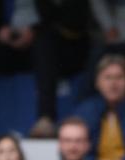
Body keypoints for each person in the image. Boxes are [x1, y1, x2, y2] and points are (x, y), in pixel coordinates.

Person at [28, 0, 93, 138]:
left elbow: (76, 22)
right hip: (34, 47)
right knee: (43, 42)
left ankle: (81, 117)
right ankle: (45, 119)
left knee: (45, 42)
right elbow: (44, 16)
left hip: (75, 50)